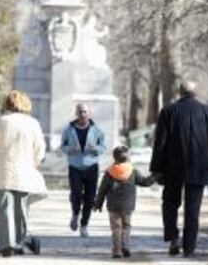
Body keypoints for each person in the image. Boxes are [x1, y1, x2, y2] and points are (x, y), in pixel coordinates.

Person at [150, 80, 208, 257]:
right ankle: (189, 247)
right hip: (198, 166)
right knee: (193, 209)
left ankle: (173, 237)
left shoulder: (168, 111)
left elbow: (160, 142)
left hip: (172, 166)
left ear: (179, 92)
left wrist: (157, 168)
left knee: (169, 203)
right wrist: (207, 156)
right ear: (195, 93)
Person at [0, 90, 47, 257]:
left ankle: (6, 245)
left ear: (8, 104)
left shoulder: (0, 122)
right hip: (24, 171)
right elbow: (40, 150)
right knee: (21, 209)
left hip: (2, 171)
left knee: (3, 209)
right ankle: (18, 242)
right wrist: (33, 164)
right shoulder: (33, 123)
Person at [94, 146, 156, 258]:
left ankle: (117, 251)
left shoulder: (109, 173)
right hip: (128, 206)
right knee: (126, 227)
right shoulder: (132, 171)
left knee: (116, 228)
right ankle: (125, 247)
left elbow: (102, 190)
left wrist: (98, 204)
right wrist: (155, 176)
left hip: (113, 206)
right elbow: (145, 182)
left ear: (114, 158)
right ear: (128, 158)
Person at [61, 103, 106, 237]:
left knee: (90, 198)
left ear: (89, 113)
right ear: (76, 113)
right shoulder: (68, 129)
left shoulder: (96, 129)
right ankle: (75, 213)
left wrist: (94, 149)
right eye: (80, 112)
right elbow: (62, 146)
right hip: (75, 166)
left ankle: (84, 224)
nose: (83, 114)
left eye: (85, 112)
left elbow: (103, 147)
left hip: (91, 166)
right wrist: (71, 149)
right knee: (75, 194)